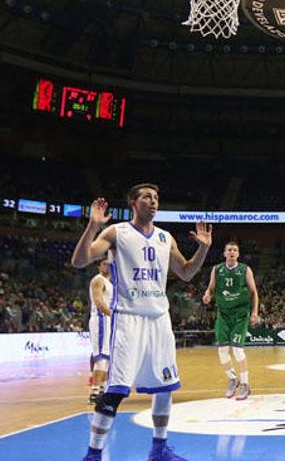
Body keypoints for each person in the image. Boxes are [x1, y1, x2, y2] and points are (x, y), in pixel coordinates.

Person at [72, 184, 212, 461]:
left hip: (159, 319)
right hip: (128, 319)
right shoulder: (117, 232)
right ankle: (93, 454)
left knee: (165, 386)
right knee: (116, 390)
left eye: (157, 197)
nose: (153, 201)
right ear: (133, 203)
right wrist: (92, 227)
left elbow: (185, 272)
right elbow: (79, 260)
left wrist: (204, 250)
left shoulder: (165, 237)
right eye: (147, 197)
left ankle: (159, 449)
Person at [202, 240, 259, 400]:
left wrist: (254, 312)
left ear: (238, 254)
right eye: (229, 250)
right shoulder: (217, 269)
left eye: (235, 250)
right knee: (222, 351)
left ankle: (245, 385)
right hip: (223, 314)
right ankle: (233, 379)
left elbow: (254, 292)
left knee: (238, 350)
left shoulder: (245, 270)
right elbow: (211, 288)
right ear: (225, 253)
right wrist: (208, 295)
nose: (232, 252)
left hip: (240, 314)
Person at [88, 258, 113, 404]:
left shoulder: (110, 282)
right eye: (104, 263)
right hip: (101, 319)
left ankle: (101, 390)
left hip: (107, 320)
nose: (107, 265)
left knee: (107, 359)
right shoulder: (98, 280)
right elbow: (98, 301)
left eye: (109, 263)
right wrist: (112, 314)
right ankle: (95, 392)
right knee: (102, 358)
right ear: (99, 266)